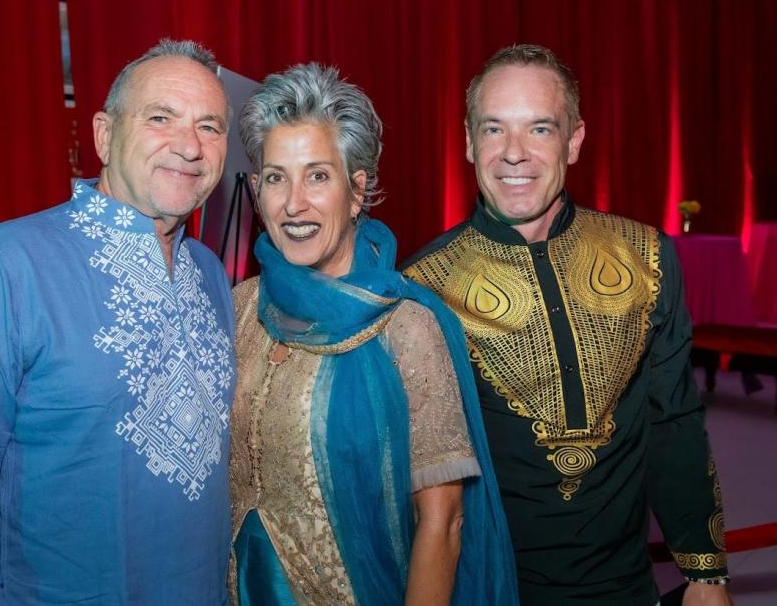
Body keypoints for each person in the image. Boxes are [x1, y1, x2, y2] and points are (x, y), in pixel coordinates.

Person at [0, 39, 236, 604]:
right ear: (105, 136)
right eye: (161, 117)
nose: (189, 145)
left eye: (210, 126)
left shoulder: (209, 271)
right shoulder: (6, 265)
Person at [403, 45, 732, 605]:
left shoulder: (647, 258)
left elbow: (673, 421)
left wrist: (705, 573)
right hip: (492, 590)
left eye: (539, 129)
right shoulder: (423, 288)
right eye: (493, 130)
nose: (514, 154)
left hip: (627, 588)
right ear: (467, 141)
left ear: (574, 140)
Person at [229, 63, 517, 605]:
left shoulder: (405, 326)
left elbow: (444, 523)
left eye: (318, 176)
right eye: (275, 177)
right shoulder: (241, 306)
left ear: (356, 191)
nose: (294, 203)